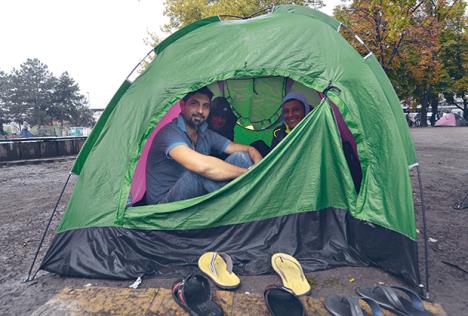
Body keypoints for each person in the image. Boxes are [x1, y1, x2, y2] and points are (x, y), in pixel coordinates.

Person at [146, 87, 262, 205]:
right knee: (199, 172)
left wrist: (260, 168)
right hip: (164, 206)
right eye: (194, 104)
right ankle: (235, 207)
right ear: (182, 105)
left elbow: (248, 149)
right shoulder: (169, 134)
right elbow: (202, 167)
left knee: (241, 157)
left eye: (205, 106)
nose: (200, 111)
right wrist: (247, 173)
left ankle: (243, 203)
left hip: (192, 196)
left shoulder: (204, 133)